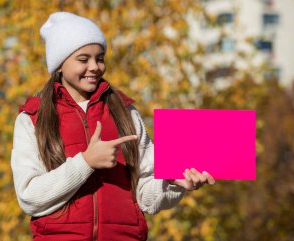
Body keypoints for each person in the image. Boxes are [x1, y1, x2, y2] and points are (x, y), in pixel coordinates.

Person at [11, 12, 215, 241]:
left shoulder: (125, 112)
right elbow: (29, 197)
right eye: (83, 59)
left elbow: (147, 197)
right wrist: (85, 162)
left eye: (100, 58)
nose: (95, 67)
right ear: (59, 64)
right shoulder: (32, 118)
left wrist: (175, 184)